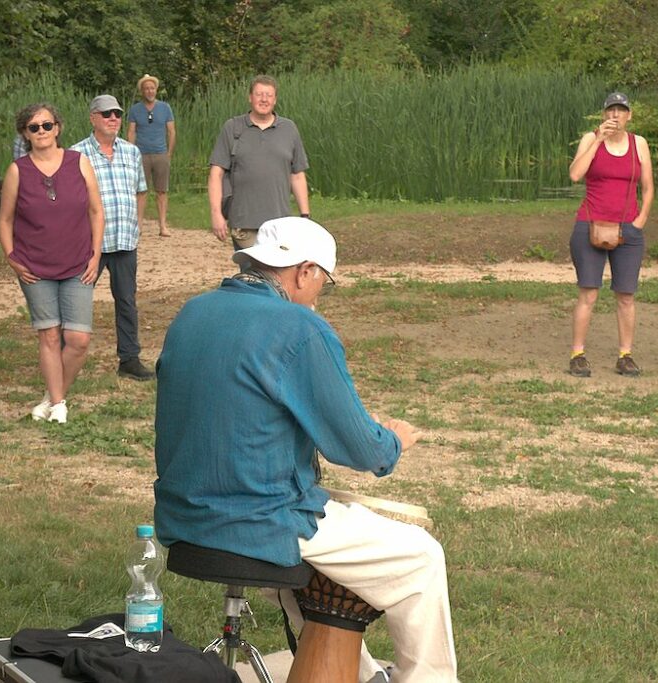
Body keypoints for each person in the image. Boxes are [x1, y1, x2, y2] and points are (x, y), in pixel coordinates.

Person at [154, 217, 459, 683]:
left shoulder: (193, 312)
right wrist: (393, 440)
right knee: (421, 556)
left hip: (183, 516)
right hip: (259, 520)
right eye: (324, 284)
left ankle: (361, 674)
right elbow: (359, 448)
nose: (319, 296)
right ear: (305, 271)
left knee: (331, 550)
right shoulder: (298, 327)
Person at [0, 103, 105, 424]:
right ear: (24, 134)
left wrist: (96, 253)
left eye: (47, 125)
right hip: (34, 267)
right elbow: (4, 220)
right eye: (34, 127)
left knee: (79, 340)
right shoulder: (18, 170)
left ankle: (51, 397)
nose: (41, 132)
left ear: (58, 128)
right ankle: (59, 404)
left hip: (79, 263)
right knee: (48, 335)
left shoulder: (79, 162)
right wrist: (12, 258)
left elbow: (96, 211)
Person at [567, 91, 654, 377]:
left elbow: (648, 186)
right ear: (604, 114)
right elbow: (575, 174)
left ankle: (625, 354)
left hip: (628, 228)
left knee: (626, 295)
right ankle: (578, 353)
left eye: (621, 110)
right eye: (611, 110)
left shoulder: (638, 143)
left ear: (629, 115)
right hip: (590, 223)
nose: (615, 115)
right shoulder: (590, 139)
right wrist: (598, 140)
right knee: (588, 292)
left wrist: (640, 219)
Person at [71, 94, 154, 381]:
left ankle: (129, 359)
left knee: (127, 301)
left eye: (117, 114)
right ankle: (65, 354)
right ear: (93, 117)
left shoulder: (131, 152)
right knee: (76, 298)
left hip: (124, 240)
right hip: (89, 244)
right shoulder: (76, 154)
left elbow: (141, 190)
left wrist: (138, 224)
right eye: (106, 114)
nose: (113, 119)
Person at [207, 75, 310, 251]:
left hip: (280, 223)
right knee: (252, 276)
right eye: (259, 94)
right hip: (244, 222)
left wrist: (305, 216)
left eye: (269, 95)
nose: (264, 99)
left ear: (275, 99)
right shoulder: (232, 128)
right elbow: (216, 174)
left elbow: (298, 175)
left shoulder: (289, 129)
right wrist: (216, 214)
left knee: (279, 275)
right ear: (250, 97)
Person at [127, 74, 175, 237]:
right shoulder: (135, 109)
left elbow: (171, 131)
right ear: (142, 91)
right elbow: (131, 132)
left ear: (156, 90)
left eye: (152, 88)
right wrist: (131, 153)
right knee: (141, 191)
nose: (149, 91)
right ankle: (138, 226)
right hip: (141, 155)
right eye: (146, 88)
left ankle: (162, 226)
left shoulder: (165, 108)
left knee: (162, 191)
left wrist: (169, 153)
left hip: (161, 153)